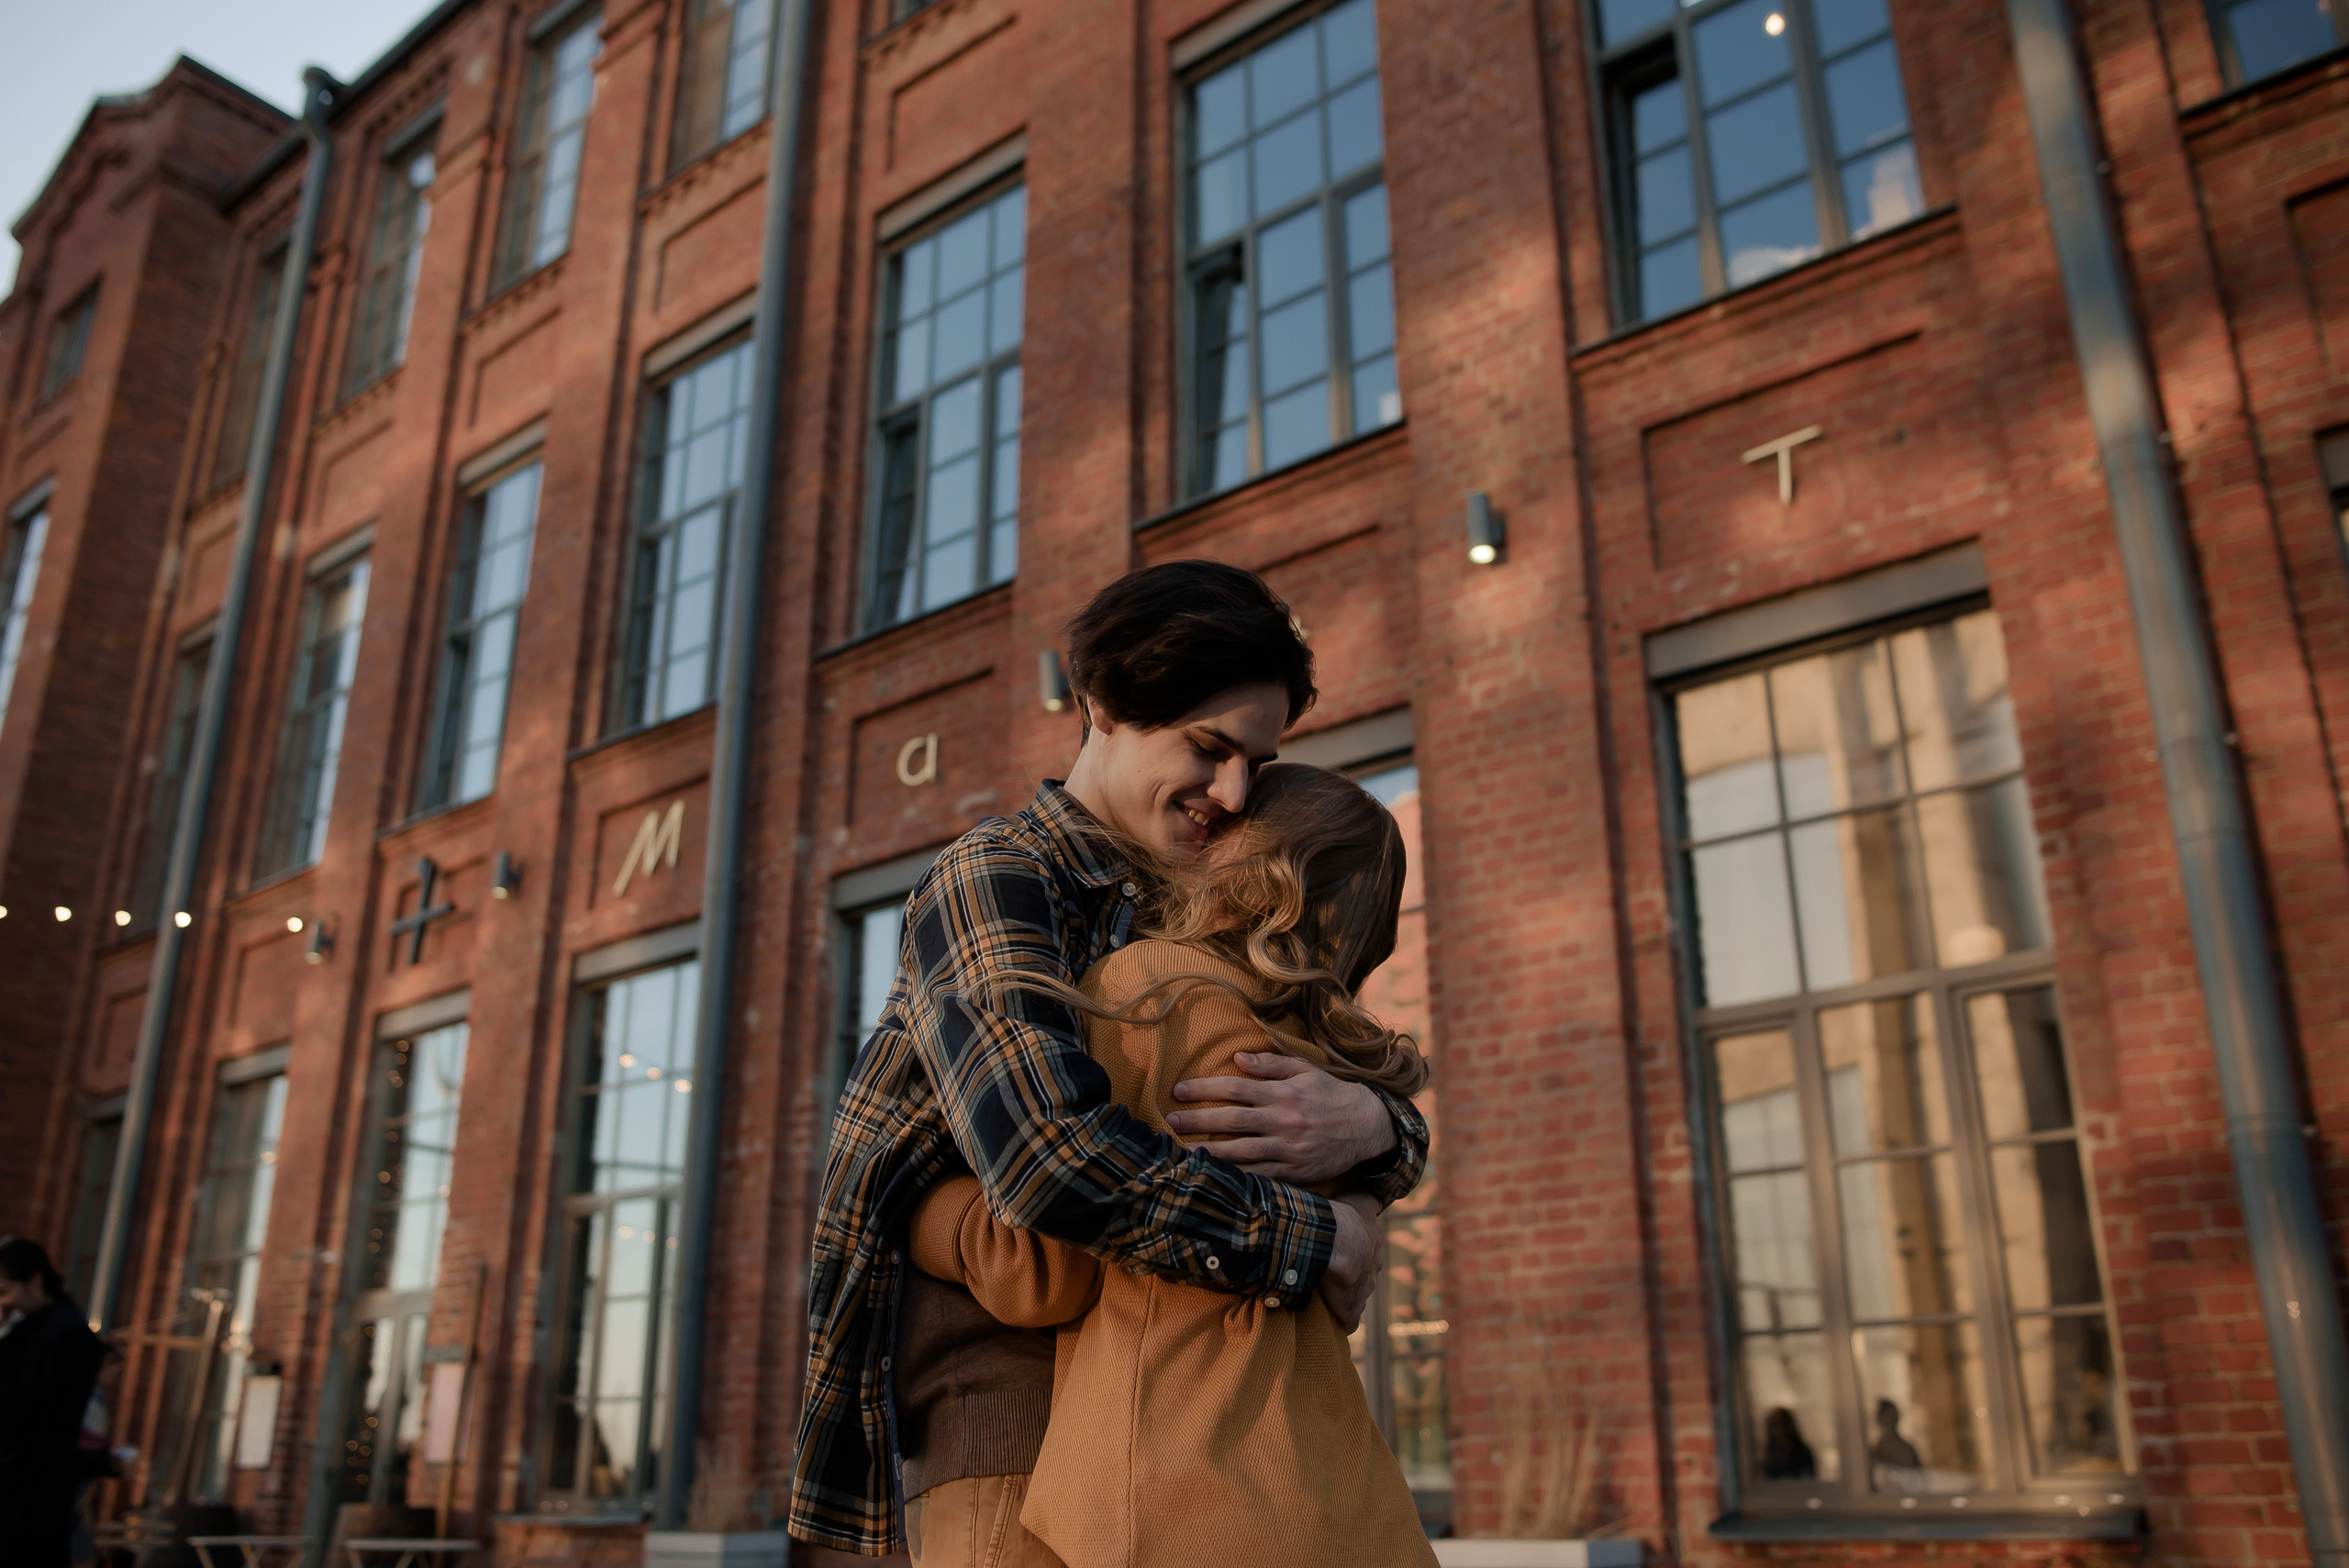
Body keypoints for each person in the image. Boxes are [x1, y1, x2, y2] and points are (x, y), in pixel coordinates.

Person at [791, 562, 1431, 1562]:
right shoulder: (999, 874)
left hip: (1169, 1431)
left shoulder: (1201, 914)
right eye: (1208, 748)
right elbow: (1052, 1157)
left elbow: (1318, 1087)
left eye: (1253, 766)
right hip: (1009, 1417)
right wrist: (1323, 1235)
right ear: (1101, 706)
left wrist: (1377, 1129)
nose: (1229, 793)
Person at [909, 763, 1438, 1568]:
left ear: (1240, 861)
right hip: (1346, 1505)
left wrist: (927, 1210)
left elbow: (1049, 1271)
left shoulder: (1149, 989)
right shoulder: (1331, 1074)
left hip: (1177, 1493)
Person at [0, 1239, 106, 1567]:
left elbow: (20, 1411)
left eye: (6, 1290)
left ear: (35, 1280)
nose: (5, 1302)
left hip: (32, 1486)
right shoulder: (32, 1329)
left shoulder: (59, 1335)